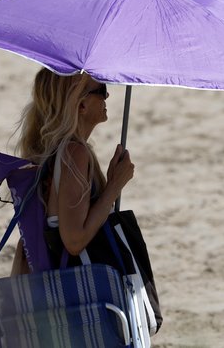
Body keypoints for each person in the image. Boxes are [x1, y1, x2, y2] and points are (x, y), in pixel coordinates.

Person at [10, 68, 135, 275]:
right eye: (101, 89)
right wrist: (114, 186)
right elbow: (74, 240)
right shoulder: (74, 153)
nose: (107, 96)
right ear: (82, 104)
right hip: (78, 285)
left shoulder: (55, 151)